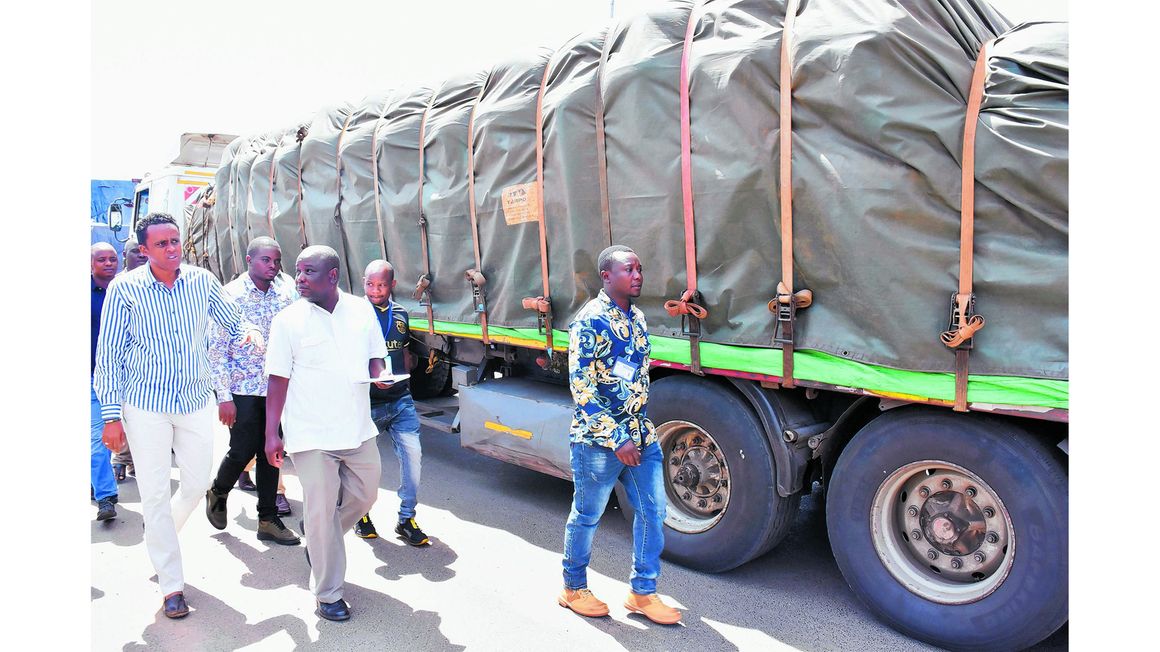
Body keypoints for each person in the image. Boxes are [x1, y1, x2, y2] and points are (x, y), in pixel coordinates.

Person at [94, 212, 263, 620]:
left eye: (175, 241)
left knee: (196, 483)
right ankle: (171, 585)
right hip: (145, 405)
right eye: (162, 244)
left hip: (194, 400)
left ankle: (159, 532)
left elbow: (232, 319)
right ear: (144, 250)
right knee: (154, 493)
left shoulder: (202, 281)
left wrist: (249, 331)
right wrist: (112, 417)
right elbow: (109, 355)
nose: (172, 249)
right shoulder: (125, 289)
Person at [263, 245, 390, 622]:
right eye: (298, 271)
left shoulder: (361, 310)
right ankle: (328, 593)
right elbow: (277, 380)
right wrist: (272, 434)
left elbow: (376, 356)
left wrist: (381, 374)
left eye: (309, 272)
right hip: (311, 435)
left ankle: (319, 538)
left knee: (366, 495)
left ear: (332, 276)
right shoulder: (287, 321)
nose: (299, 278)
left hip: (358, 428)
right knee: (320, 511)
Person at [557, 245, 682, 625]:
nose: (638, 275)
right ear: (607, 276)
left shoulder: (637, 317)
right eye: (629, 269)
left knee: (653, 512)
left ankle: (642, 592)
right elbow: (581, 388)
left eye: (640, 268)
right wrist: (616, 438)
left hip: (641, 436)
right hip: (598, 442)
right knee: (587, 515)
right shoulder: (590, 320)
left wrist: (634, 434)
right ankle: (573, 588)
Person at [205, 237, 300, 545]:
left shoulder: (285, 294)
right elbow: (216, 351)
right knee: (243, 449)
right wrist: (224, 397)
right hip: (242, 388)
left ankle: (268, 519)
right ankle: (218, 490)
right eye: (266, 260)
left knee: (272, 452)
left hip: (276, 387)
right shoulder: (230, 295)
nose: (273, 266)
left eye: (277, 261)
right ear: (249, 260)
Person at [354, 259, 429, 545]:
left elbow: (404, 352)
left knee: (413, 457)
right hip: (366, 403)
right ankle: (360, 514)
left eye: (382, 285)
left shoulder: (400, 314)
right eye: (370, 284)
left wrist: (403, 382)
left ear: (393, 285)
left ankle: (406, 518)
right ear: (363, 282)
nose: (375, 290)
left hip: (400, 400)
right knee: (363, 465)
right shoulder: (354, 315)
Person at [111, 234, 147, 482]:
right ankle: (121, 460)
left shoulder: (157, 283)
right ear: (124, 256)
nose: (142, 256)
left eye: (143, 251)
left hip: (146, 367)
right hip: (123, 364)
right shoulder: (118, 285)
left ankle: (135, 461)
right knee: (124, 415)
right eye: (136, 252)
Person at [91, 243, 120, 522]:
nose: (109, 263)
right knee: (97, 439)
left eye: (113, 258)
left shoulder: (128, 290)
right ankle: (106, 497)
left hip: (130, 377)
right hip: (93, 378)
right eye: (102, 259)